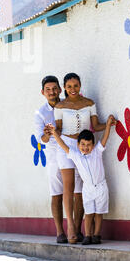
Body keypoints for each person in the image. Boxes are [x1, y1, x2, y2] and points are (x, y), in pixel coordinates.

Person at [50, 72, 109, 244]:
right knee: (68, 186)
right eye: (69, 86)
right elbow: (59, 129)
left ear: (80, 85)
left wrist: (110, 123)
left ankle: (78, 226)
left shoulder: (89, 103)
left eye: (76, 85)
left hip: (85, 146)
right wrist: (50, 133)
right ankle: (71, 228)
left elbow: (96, 126)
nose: (73, 89)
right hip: (67, 146)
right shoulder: (60, 107)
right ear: (64, 88)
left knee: (82, 188)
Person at [48, 114, 116, 245]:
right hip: (88, 189)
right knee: (89, 212)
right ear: (78, 144)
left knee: (99, 212)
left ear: (93, 145)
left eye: (89, 145)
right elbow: (63, 146)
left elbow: (104, 138)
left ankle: (96, 235)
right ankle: (88, 235)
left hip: (101, 187)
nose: (85, 147)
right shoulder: (76, 156)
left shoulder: (97, 152)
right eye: (83, 144)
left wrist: (108, 125)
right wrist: (54, 133)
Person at [35, 75, 84, 244]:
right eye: (48, 89)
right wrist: (47, 134)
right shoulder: (40, 113)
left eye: (54, 88)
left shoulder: (68, 105)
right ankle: (60, 232)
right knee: (56, 193)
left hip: (71, 152)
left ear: (60, 89)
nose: (52, 92)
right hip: (54, 156)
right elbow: (41, 139)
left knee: (78, 191)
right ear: (43, 92)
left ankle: (77, 230)